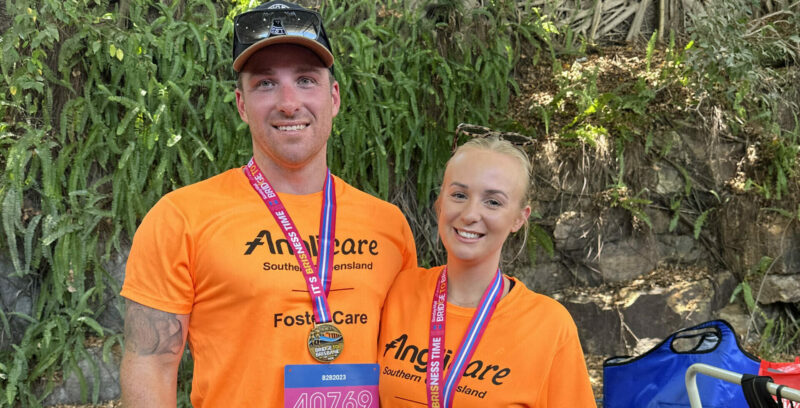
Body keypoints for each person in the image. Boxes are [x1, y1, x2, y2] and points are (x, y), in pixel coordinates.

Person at [119, 1, 417, 406]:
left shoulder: (389, 226)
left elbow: (406, 360)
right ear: (242, 105)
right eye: (265, 83)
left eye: (306, 80)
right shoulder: (180, 218)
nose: (289, 103)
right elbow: (150, 363)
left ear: (335, 97)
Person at [377, 137, 596, 407]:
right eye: (459, 195)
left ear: (519, 218)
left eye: (493, 202)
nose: (470, 214)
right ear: (440, 204)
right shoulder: (398, 292)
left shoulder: (549, 325)